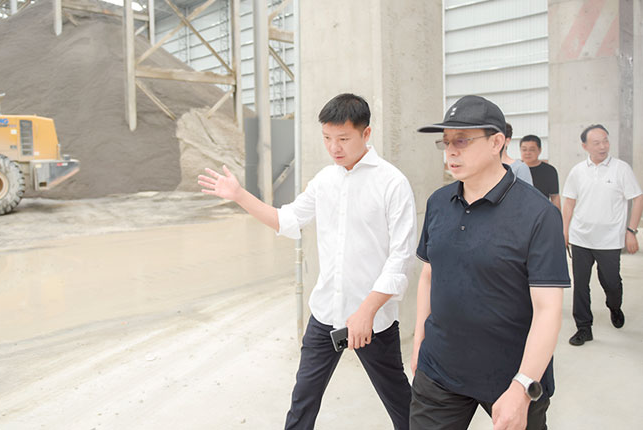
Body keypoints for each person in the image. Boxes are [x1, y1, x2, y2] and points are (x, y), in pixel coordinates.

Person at [198, 93, 416, 429]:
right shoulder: (325, 181)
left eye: (343, 139)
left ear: (366, 133)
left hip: (372, 320)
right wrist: (239, 195)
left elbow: (400, 259)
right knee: (302, 402)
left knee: (401, 403)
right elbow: (287, 220)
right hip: (326, 313)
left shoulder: (392, 183)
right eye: (327, 138)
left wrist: (367, 311)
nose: (334, 148)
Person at [410, 95, 570, 430]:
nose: (450, 151)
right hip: (439, 371)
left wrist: (522, 387)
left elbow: (548, 309)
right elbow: (428, 275)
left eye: (462, 141)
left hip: (511, 376)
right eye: (446, 142)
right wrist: (419, 345)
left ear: (497, 142)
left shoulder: (539, 214)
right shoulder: (438, 202)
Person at [562, 124, 643, 346]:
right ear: (585, 146)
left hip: (609, 240)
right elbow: (569, 202)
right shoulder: (578, 171)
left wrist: (631, 231)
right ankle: (584, 328)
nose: (603, 146)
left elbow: (638, 198)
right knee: (580, 285)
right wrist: (565, 230)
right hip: (581, 238)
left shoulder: (621, 169)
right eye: (596, 142)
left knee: (612, 283)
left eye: (605, 140)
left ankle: (614, 306)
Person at [520, 135, 561, 211]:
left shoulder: (549, 171)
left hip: (542, 212)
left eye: (532, 150)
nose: (527, 153)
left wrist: (557, 215)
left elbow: (555, 196)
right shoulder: (514, 169)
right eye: (524, 150)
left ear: (540, 150)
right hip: (519, 212)